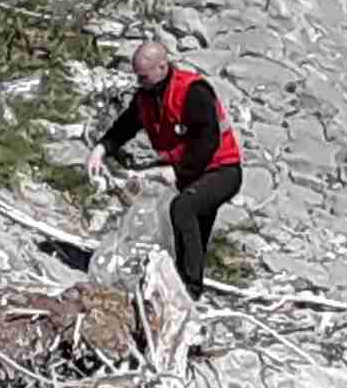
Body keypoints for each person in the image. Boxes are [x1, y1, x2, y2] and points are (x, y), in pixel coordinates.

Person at [90, 34, 243, 299]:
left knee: (183, 208)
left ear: (162, 67)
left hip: (221, 169)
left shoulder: (193, 92)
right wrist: (101, 149)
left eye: (144, 76)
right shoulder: (146, 97)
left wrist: (176, 173)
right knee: (189, 227)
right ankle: (179, 278)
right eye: (137, 76)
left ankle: (190, 290)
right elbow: (125, 126)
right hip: (189, 171)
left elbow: (207, 142)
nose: (139, 82)